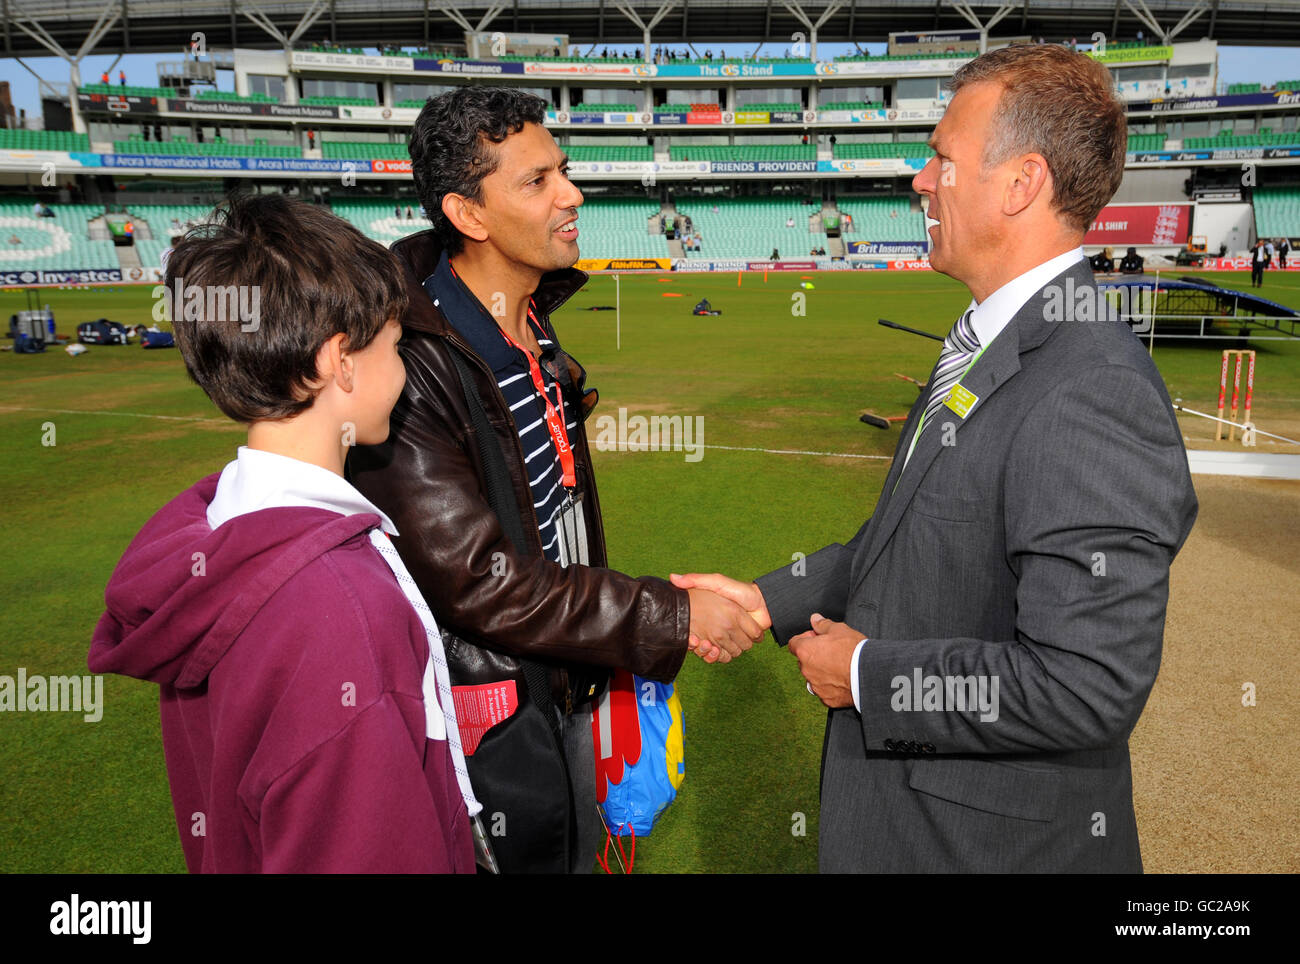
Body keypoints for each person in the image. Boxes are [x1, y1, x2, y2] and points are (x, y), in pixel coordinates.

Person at [675, 42, 1197, 873]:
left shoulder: (1090, 388)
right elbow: (911, 537)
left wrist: (871, 675)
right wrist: (765, 600)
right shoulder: (991, 343)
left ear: (1021, 183)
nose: (920, 179)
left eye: (942, 158)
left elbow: (1086, 684)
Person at [347, 86, 761, 874]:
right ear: (468, 215)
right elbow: (476, 582)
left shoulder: (529, 321)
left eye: (563, 171)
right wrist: (668, 618)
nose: (572, 194)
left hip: (567, 672)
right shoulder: (411, 363)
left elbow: (554, 516)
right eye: (536, 182)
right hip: (493, 709)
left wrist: (607, 650)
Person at [88, 193, 475, 873]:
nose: (406, 371)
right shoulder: (337, 605)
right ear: (340, 362)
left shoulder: (222, 529)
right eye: (394, 345)